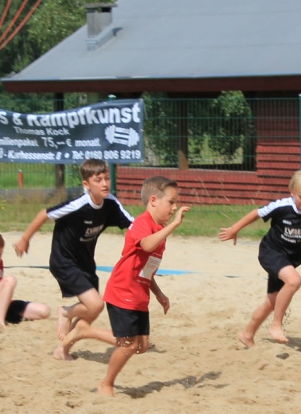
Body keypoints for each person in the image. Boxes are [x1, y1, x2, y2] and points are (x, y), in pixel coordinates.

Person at [13, 158, 133, 361]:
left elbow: (134, 225)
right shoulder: (78, 205)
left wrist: (157, 228)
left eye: (106, 178)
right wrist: (25, 239)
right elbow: (44, 214)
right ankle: (66, 312)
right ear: (86, 184)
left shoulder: (111, 203)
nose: (104, 183)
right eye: (98, 180)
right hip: (64, 262)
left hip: (85, 264)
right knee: (96, 305)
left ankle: (63, 350)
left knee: (90, 313)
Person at [219, 168, 301, 347]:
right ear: (292, 192)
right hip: (270, 252)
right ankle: (276, 325)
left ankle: (247, 334)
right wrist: (234, 229)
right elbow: (256, 213)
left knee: (272, 301)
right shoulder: (282, 206)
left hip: (289, 261)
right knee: (294, 281)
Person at [97, 176, 189, 396]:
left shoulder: (159, 229)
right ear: (154, 200)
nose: (174, 207)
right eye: (171, 202)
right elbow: (147, 245)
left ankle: (85, 331)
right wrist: (175, 224)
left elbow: (147, 268)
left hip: (139, 294)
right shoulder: (142, 223)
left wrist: (158, 293)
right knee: (128, 345)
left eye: (176, 203)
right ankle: (106, 384)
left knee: (141, 346)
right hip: (122, 291)